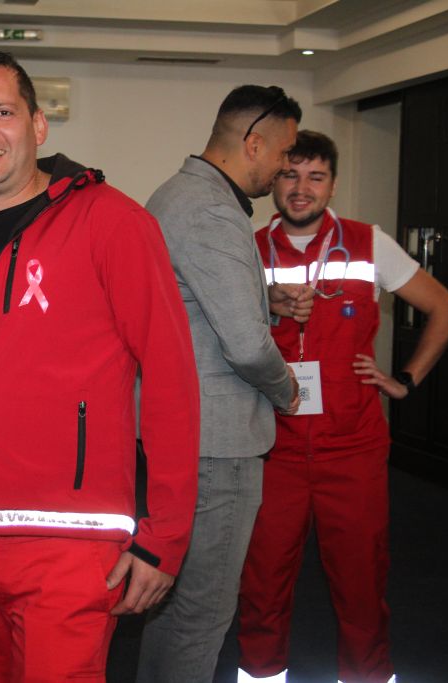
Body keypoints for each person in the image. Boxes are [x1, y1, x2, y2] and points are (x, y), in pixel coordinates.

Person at [0, 51, 200, 682]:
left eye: (2, 112)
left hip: (71, 545)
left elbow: (172, 381)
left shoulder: (112, 221)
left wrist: (164, 535)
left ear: (38, 126)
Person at [238, 130, 448, 683]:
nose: (301, 188)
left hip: (352, 449)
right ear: (274, 182)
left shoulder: (367, 243)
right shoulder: (246, 248)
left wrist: (405, 379)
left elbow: (446, 308)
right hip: (271, 448)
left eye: (315, 177)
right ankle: (261, 675)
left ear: (332, 184)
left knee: (361, 583)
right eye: (290, 175)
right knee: (261, 584)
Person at [136, 85, 312, 683]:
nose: (284, 168)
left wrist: (264, 298)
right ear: (253, 143)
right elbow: (245, 345)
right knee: (201, 612)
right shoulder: (212, 209)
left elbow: (190, 304)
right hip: (219, 443)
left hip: (185, 431)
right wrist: (287, 390)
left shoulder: (177, 193)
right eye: (283, 153)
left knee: (170, 603)